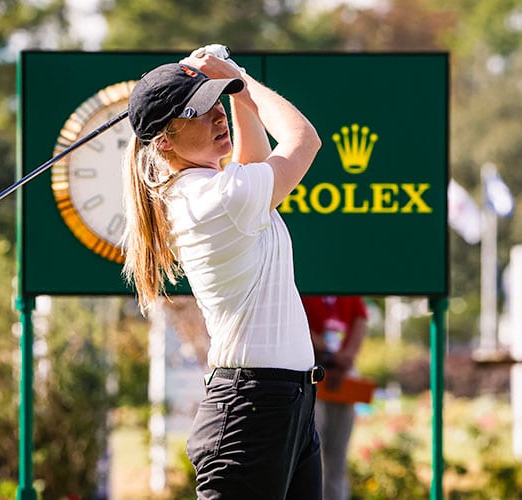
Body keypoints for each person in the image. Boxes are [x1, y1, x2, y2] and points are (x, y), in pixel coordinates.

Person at [120, 45, 323, 499]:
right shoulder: (212, 200)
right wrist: (239, 79)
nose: (216, 117)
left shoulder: (217, 189)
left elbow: (253, 160)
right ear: (164, 141)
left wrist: (234, 84)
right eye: (198, 111)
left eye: (217, 102)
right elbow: (304, 140)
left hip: (286, 405)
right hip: (250, 413)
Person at [301, 295, 368, 500]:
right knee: (311, 454)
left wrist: (345, 358)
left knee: (338, 460)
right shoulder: (306, 288)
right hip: (311, 373)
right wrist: (327, 353)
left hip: (343, 378)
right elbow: (300, 325)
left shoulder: (349, 292)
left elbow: (360, 320)